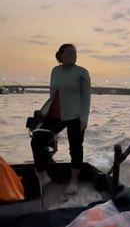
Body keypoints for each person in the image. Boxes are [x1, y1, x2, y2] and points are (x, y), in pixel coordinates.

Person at [31, 43, 91, 194]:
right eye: (69, 53)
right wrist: (44, 113)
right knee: (37, 141)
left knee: (75, 148)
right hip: (54, 115)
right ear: (61, 55)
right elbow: (53, 94)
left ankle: (74, 181)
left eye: (75, 53)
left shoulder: (82, 72)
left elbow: (86, 98)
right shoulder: (55, 71)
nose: (73, 55)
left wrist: (84, 119)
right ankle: (43, 176)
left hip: (75, 116)